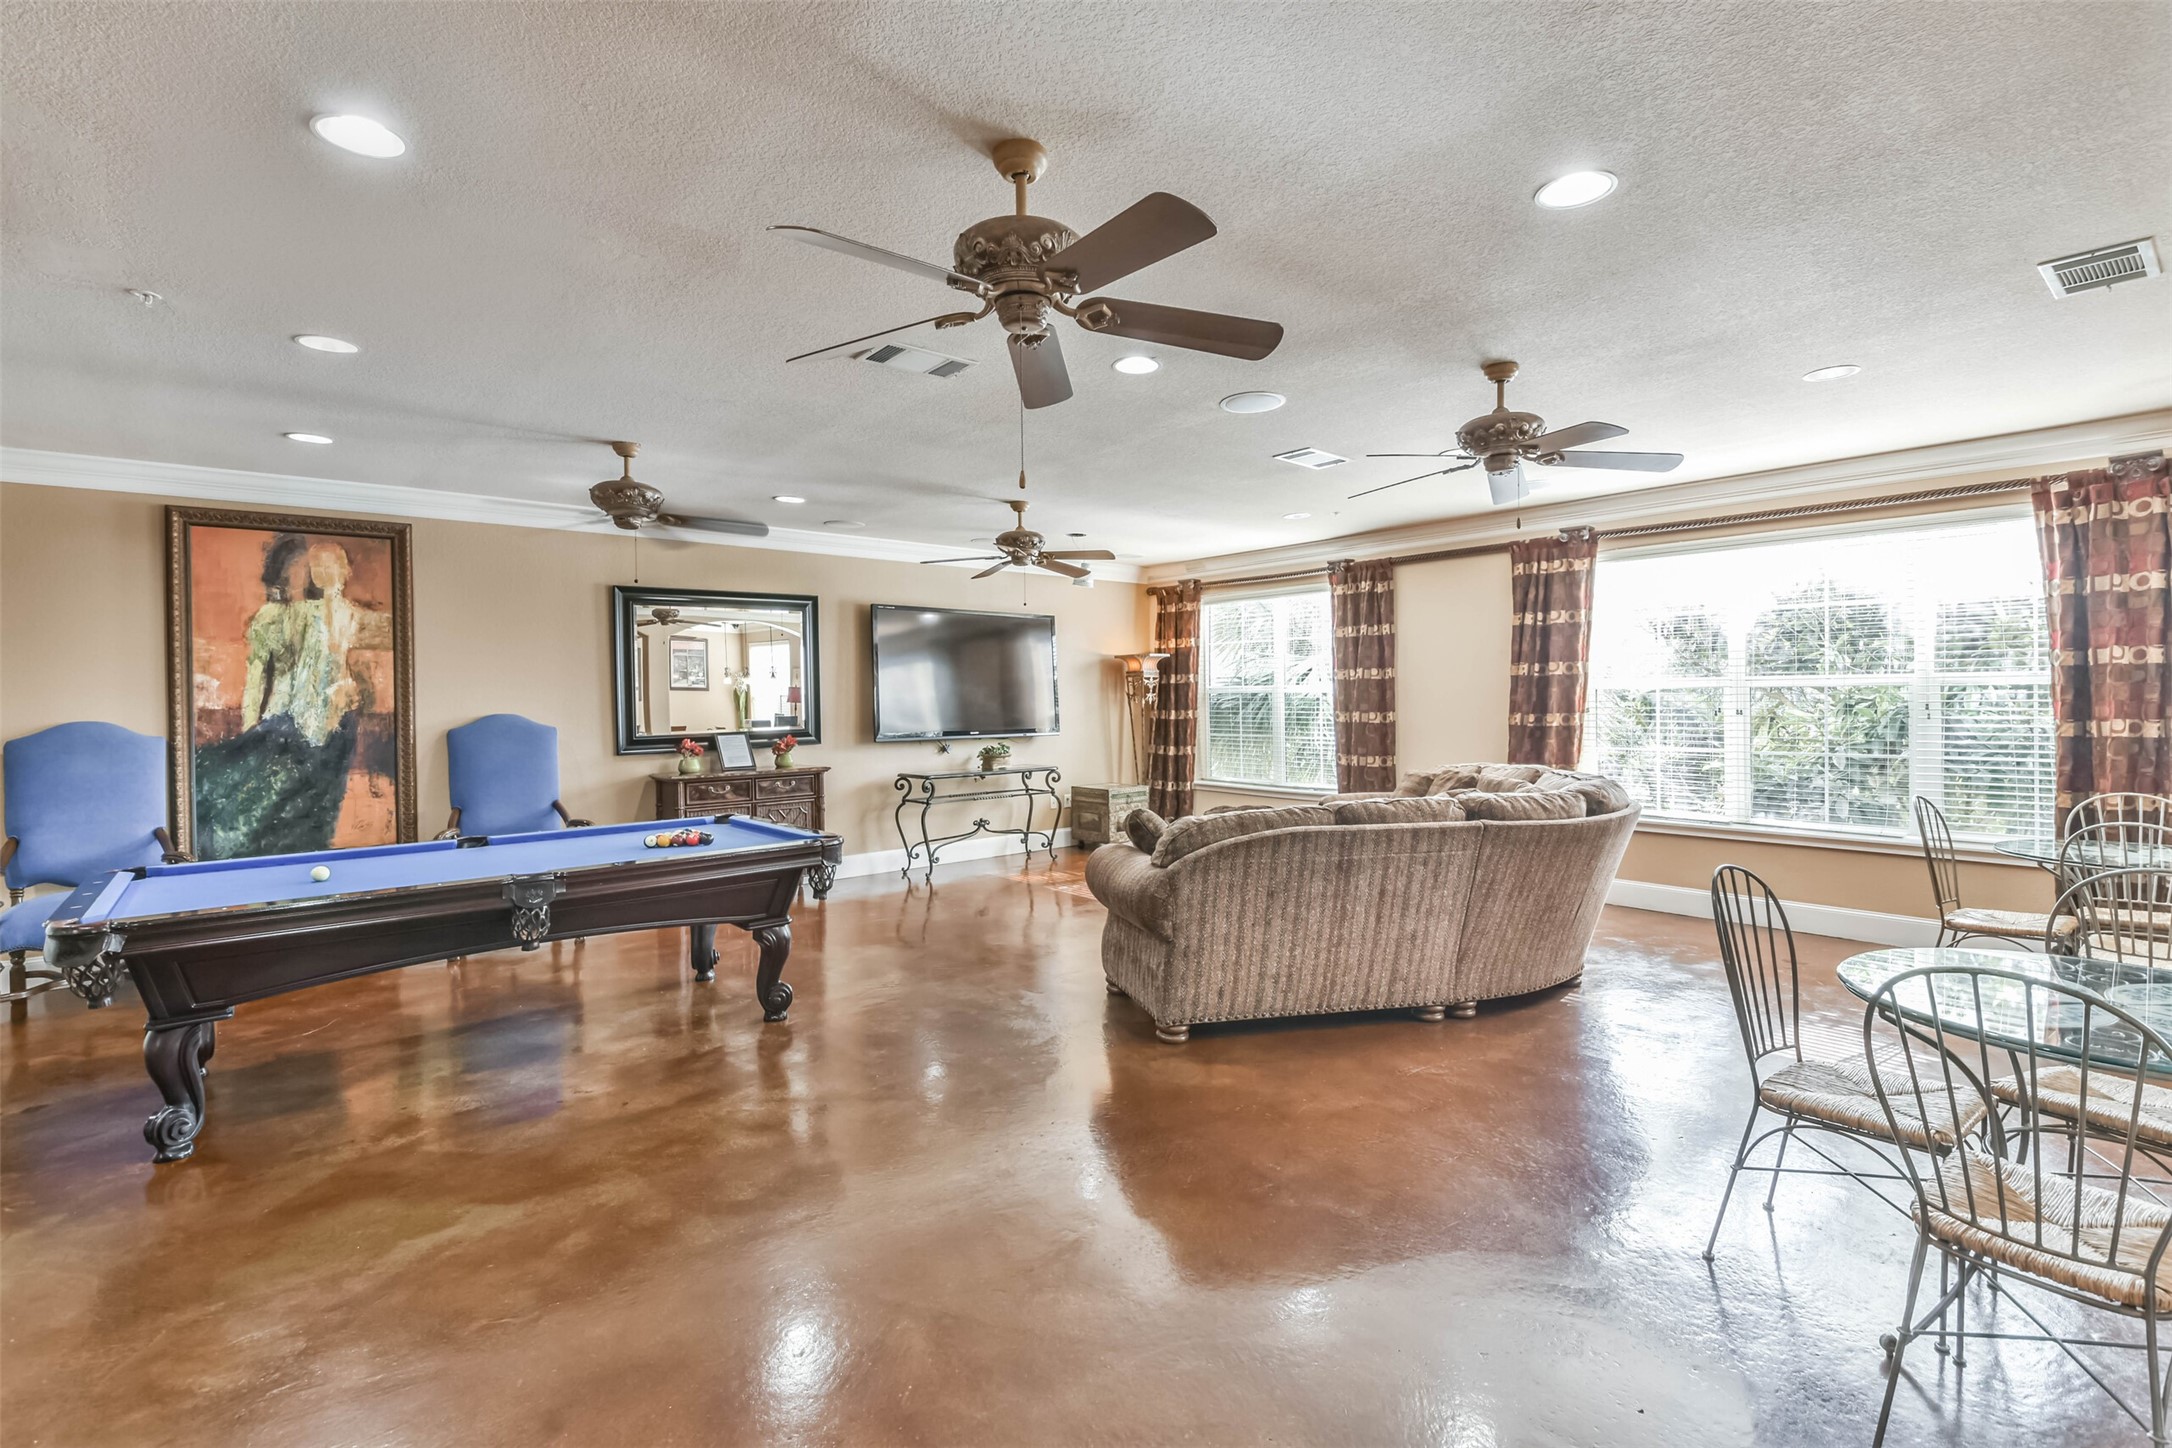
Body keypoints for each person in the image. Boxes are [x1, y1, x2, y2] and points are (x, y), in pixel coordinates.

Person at [194, 535, 393, 857]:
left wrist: (352, 690)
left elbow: (343, 664)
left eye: (330, 566)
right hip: (291, 719)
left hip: (335, 724)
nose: (321, 573)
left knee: (320, 805)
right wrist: (251, 722)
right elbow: (263, 675)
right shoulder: (289, 616)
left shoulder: (351, 615)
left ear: (345, 570)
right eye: (316, 567)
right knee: (270, 802)